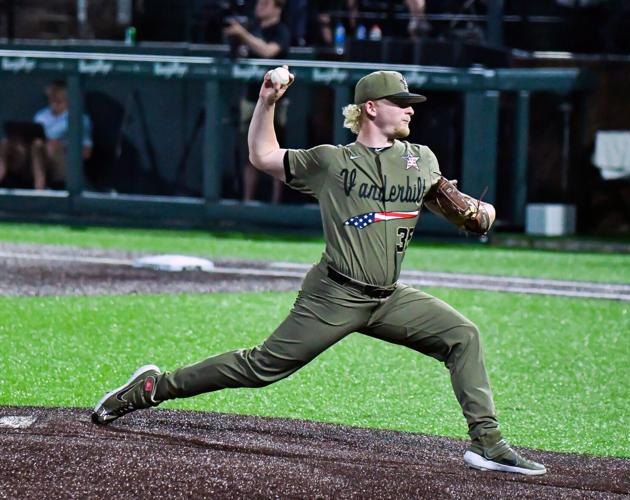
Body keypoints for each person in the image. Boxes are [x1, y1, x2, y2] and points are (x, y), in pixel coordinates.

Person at [92, 69, 547, 476]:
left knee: (462, 335)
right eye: (400, 102)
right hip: (334, 295)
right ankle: (151, 389)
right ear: (371, 107)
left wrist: (478, 211)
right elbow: (263, 155)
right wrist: (268, 100)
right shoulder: (332, 161)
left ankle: (487, 443)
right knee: (261, 367)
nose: (409, 109)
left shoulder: (420, 158)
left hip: (388, 297)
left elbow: (449, 201)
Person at [223, 0, 290, 203]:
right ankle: (247, 203)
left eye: (265, 3)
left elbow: (269, 51)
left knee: (275, 154)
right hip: (252, 98)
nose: (259, 6)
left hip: (275, 101)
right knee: (250, 154)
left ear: (276, 7)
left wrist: (242, 34)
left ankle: (276, 206)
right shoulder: (253, 28)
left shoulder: (281, 30)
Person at [0, 80, 92, 190]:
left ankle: (40, 186)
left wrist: (62, 147)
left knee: (40, 145)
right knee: (5, 143)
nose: (53, 104)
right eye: (51, 100)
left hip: (57, 162)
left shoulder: (79, 119)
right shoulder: (42, 115)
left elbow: (86, 152)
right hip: (30, 159)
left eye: (58, 101)